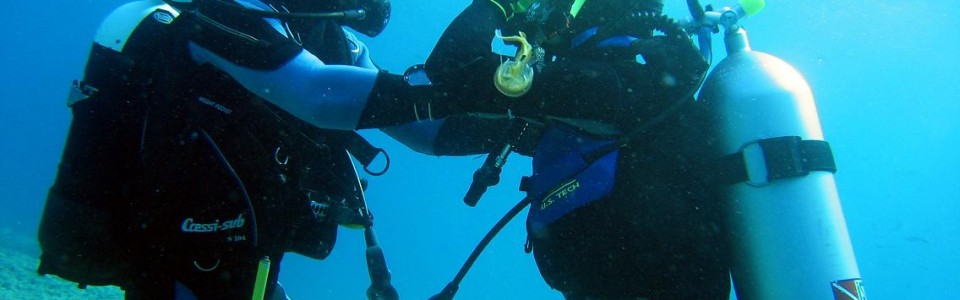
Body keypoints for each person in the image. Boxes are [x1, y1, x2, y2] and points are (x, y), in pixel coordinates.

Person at [37, 0, 477, 298]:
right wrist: (482, 93)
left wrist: (524, 123)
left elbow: (427, 133)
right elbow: (317, 93)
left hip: (253, 257)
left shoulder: (332, 41)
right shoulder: (222, 13)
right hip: (176, 257)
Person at [385, 0, 730, 298]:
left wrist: (499, 5)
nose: (542, 31)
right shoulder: (612, 103)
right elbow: (438, 131)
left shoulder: (600, 85)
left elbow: (455, 65)